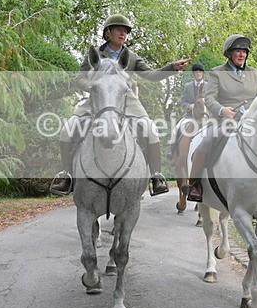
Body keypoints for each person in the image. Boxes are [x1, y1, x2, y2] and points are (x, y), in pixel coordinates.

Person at [50, 14, 191, 196]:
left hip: (126, 99)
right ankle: (67, 175)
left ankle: (156, 176)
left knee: (150, 129)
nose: (123, 33)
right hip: (98, 97)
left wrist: (172, 67)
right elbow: (79, 78)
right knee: (68, 129)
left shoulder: (131, 57)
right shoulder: (95, 55)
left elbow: (151, 75)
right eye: (119, 29)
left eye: (125, 31)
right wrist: (92, 87)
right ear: (108, 33)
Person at [186, 34, 257, 202]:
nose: (242, 54)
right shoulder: (217, 73)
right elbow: (210, 98)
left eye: (244, 51)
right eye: (238, 51)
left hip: (251, 121)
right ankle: (194, 185)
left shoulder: (254, 74)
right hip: (225, 120)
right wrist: (222, 110)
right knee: (207, 141)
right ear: (229, 53)